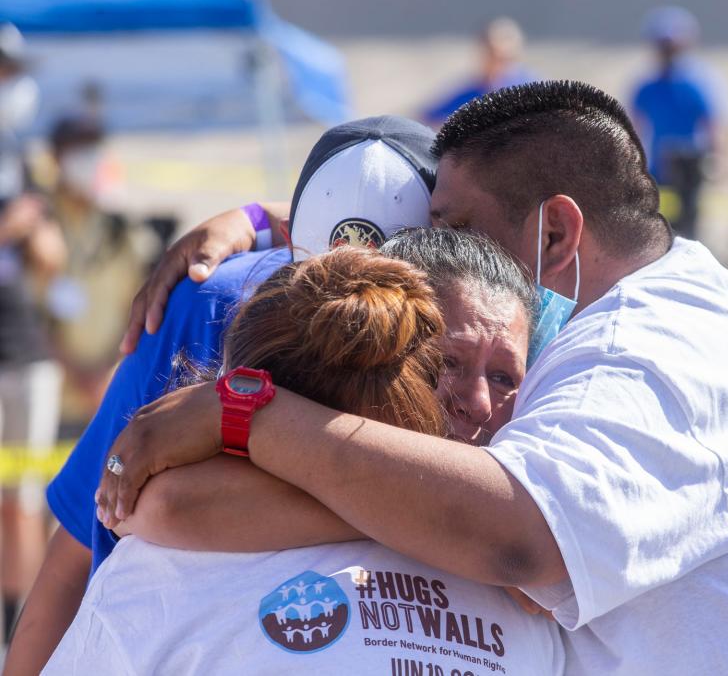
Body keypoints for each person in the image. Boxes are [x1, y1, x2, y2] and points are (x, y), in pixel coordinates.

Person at [98, 81, 728, 674]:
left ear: (556, 233)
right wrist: (252, 220)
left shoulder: (647, 349)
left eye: (455, 227)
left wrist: (251, 419)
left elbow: (516, 540)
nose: (432, 253)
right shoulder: (687, 299)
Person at [3, 115, 439, 675]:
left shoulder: (483, 349)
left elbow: (114, 526)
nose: (345, 330)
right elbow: (84, 539)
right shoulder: (213, 303)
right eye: (313, 307)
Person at [44, 238, 564, 674]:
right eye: (449, 362)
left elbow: (163, 508)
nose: (476, 402)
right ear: (400, 354)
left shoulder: (540, 567)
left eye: (504, 378)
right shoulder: (528, 568)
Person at [0, 21, 65, 644]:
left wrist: (39, 234)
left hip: (24, 350)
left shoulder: (20, 152)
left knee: (22, 500)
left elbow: (49, 254)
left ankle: (16, 628)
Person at [45, 114, 161, 433]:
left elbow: (139, 304)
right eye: (78, 149)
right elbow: (31, 315)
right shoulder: (40, 224)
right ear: (55, 158)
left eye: (93, 148)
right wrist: (78, 375)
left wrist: (107, 371)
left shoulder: (119, 225)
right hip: (52, 399)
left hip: (111, 395)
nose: (88, 159)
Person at [628, 6, 725, 239]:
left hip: (691, 164)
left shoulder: (697, 83)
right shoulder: (647, 86)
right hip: (659, 166)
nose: (668, 51)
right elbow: (634, 127)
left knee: (689, 229)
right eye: (663, 45)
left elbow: (714, 125)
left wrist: (720, 160)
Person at [421, 17, 535, 128]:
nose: (495, 62)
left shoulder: (530, 88)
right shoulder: (471, 92)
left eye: (501, 57)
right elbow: (428, 118)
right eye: (490, 53)